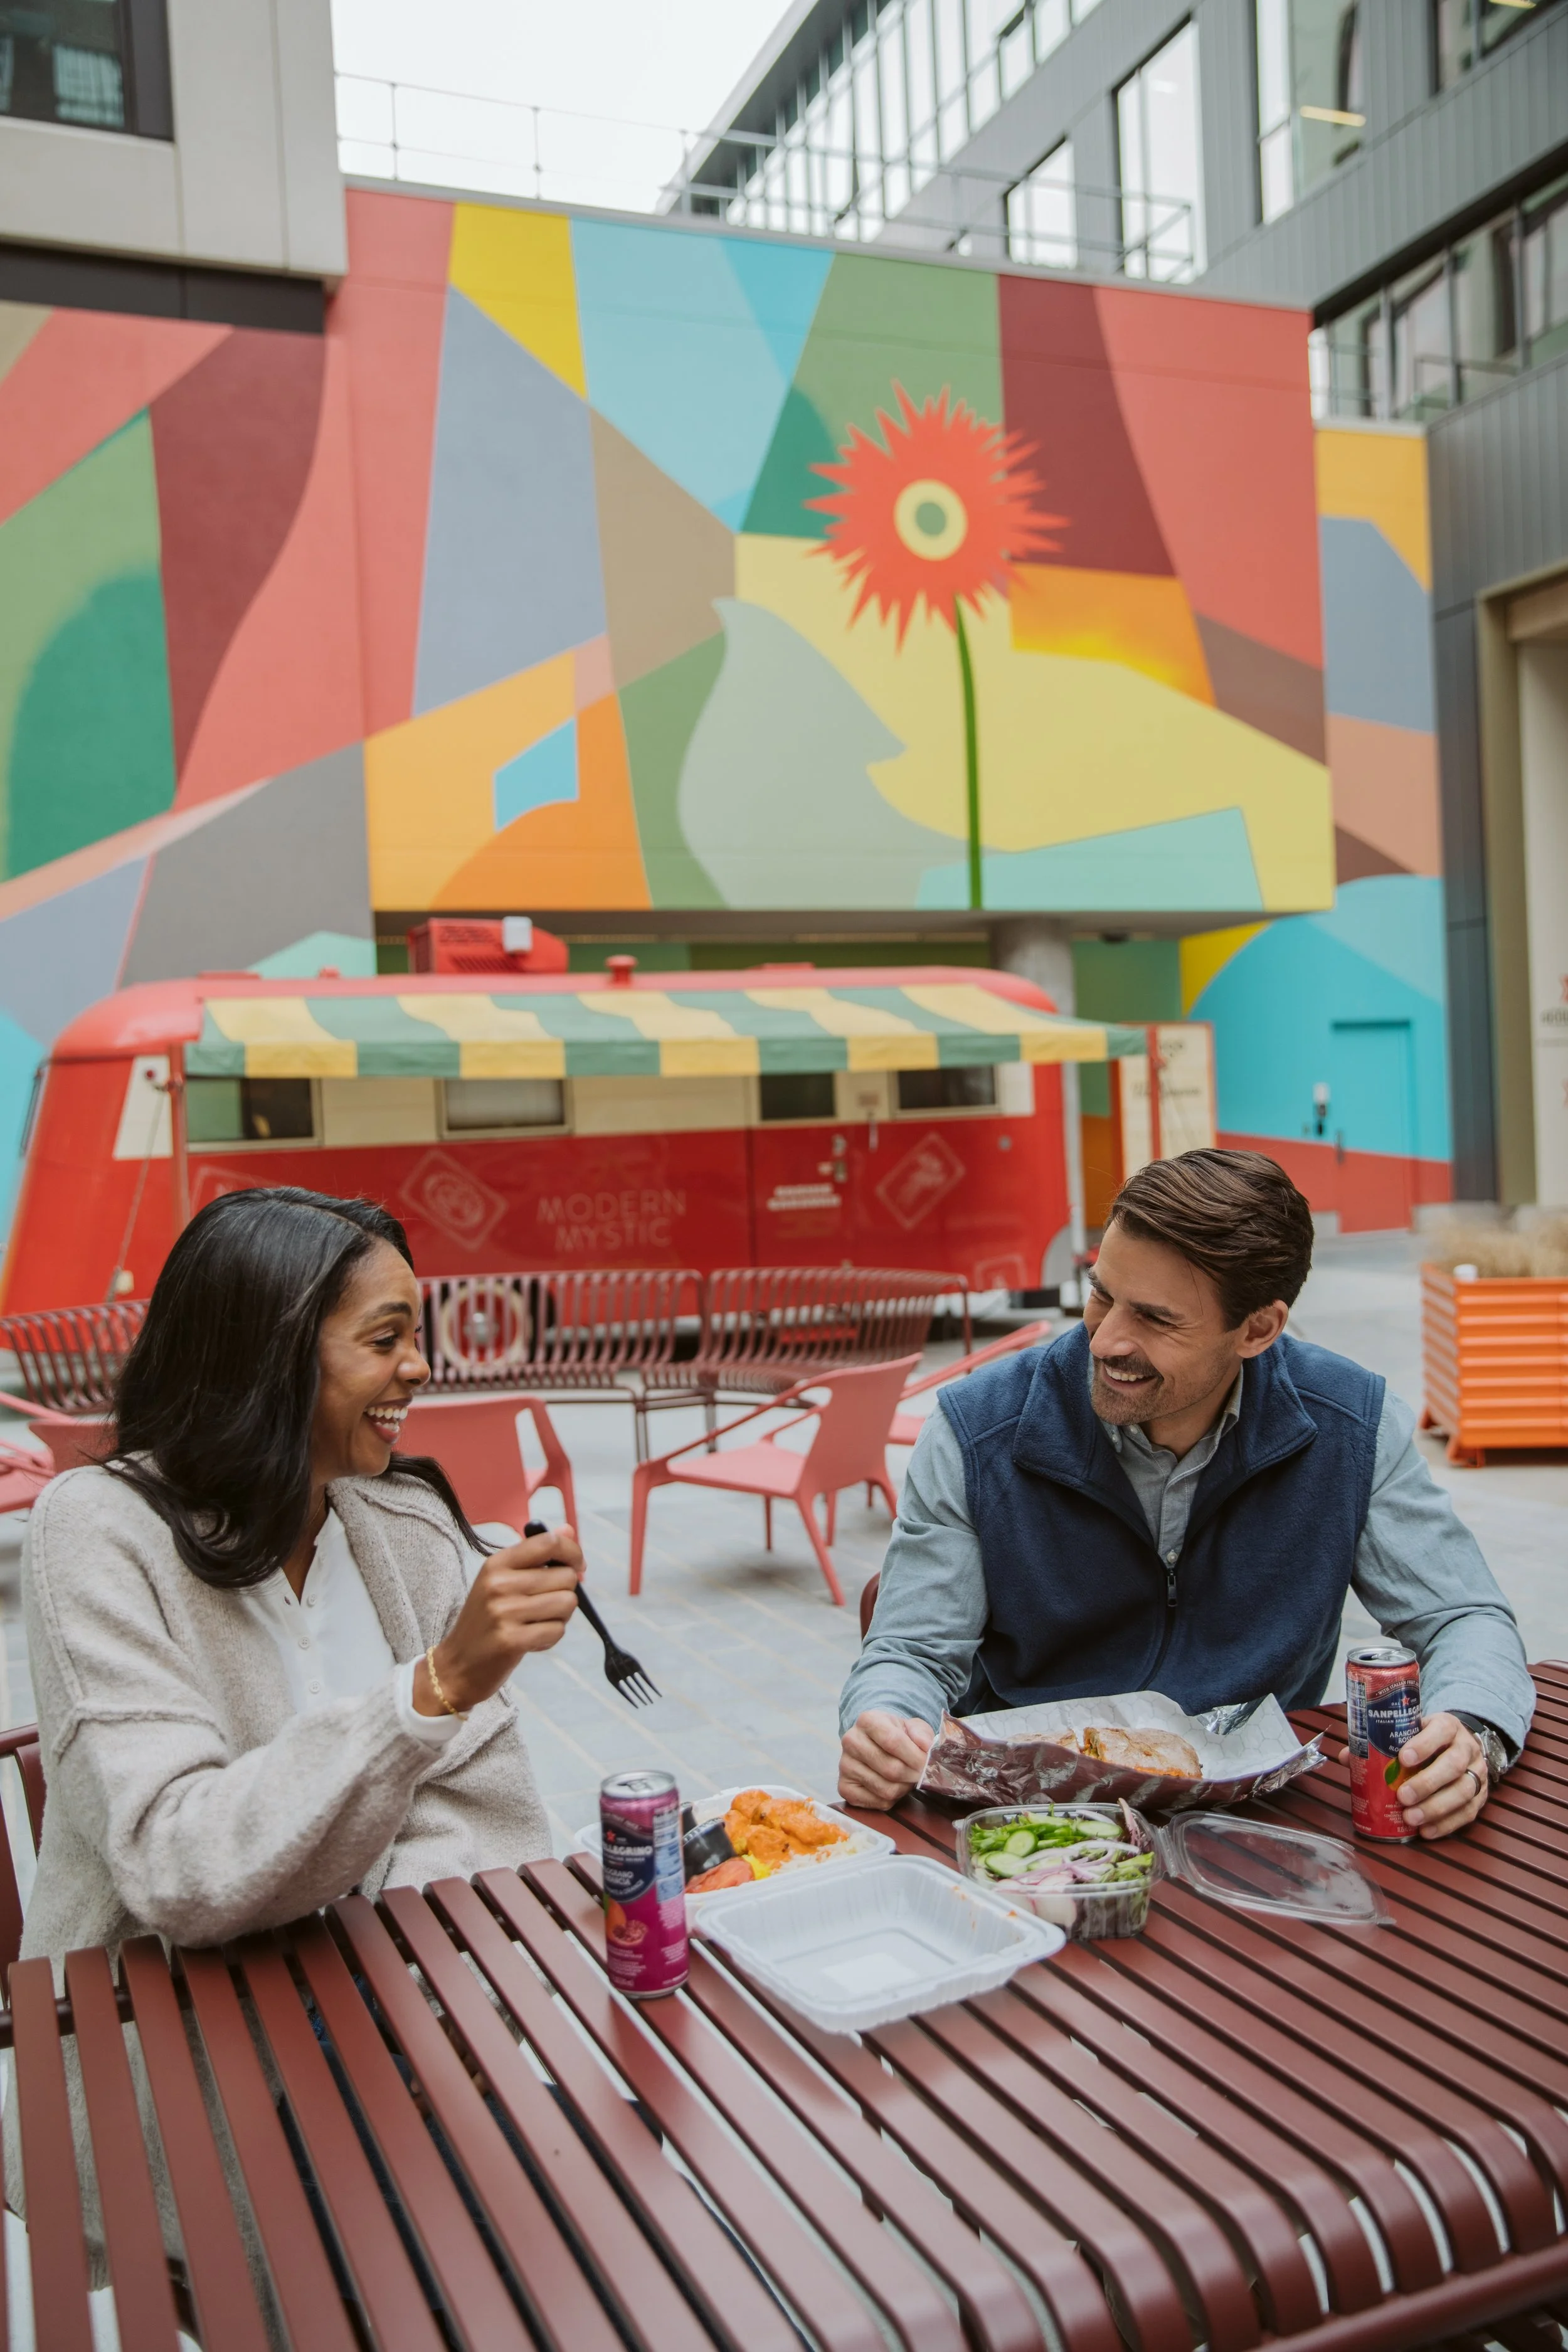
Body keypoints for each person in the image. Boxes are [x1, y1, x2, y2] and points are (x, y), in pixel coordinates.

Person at [840, 1148, 1534, 1839]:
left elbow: (1462, 1618)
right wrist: (882, 1724)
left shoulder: (1350, 1426)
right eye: (1102, 1294)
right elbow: (910, 1654)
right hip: (1028, 1827)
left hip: (1260, 1828)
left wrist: (1471, 1732)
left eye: (1154, 1318)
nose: (1105, 1340)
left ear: (1258, 1329)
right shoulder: (977, 1429)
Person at [19, 1185, 581, 1966]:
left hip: (398, 2005)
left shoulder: (407, 1525)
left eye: (415, 1338)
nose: (419, 1368)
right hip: (170, 2040)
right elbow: (175, 1865)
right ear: (268, 1357)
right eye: (385, 1340)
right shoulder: (100, 1531)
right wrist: (436, 1688)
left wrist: (391, 1987)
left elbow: (481, 1813)